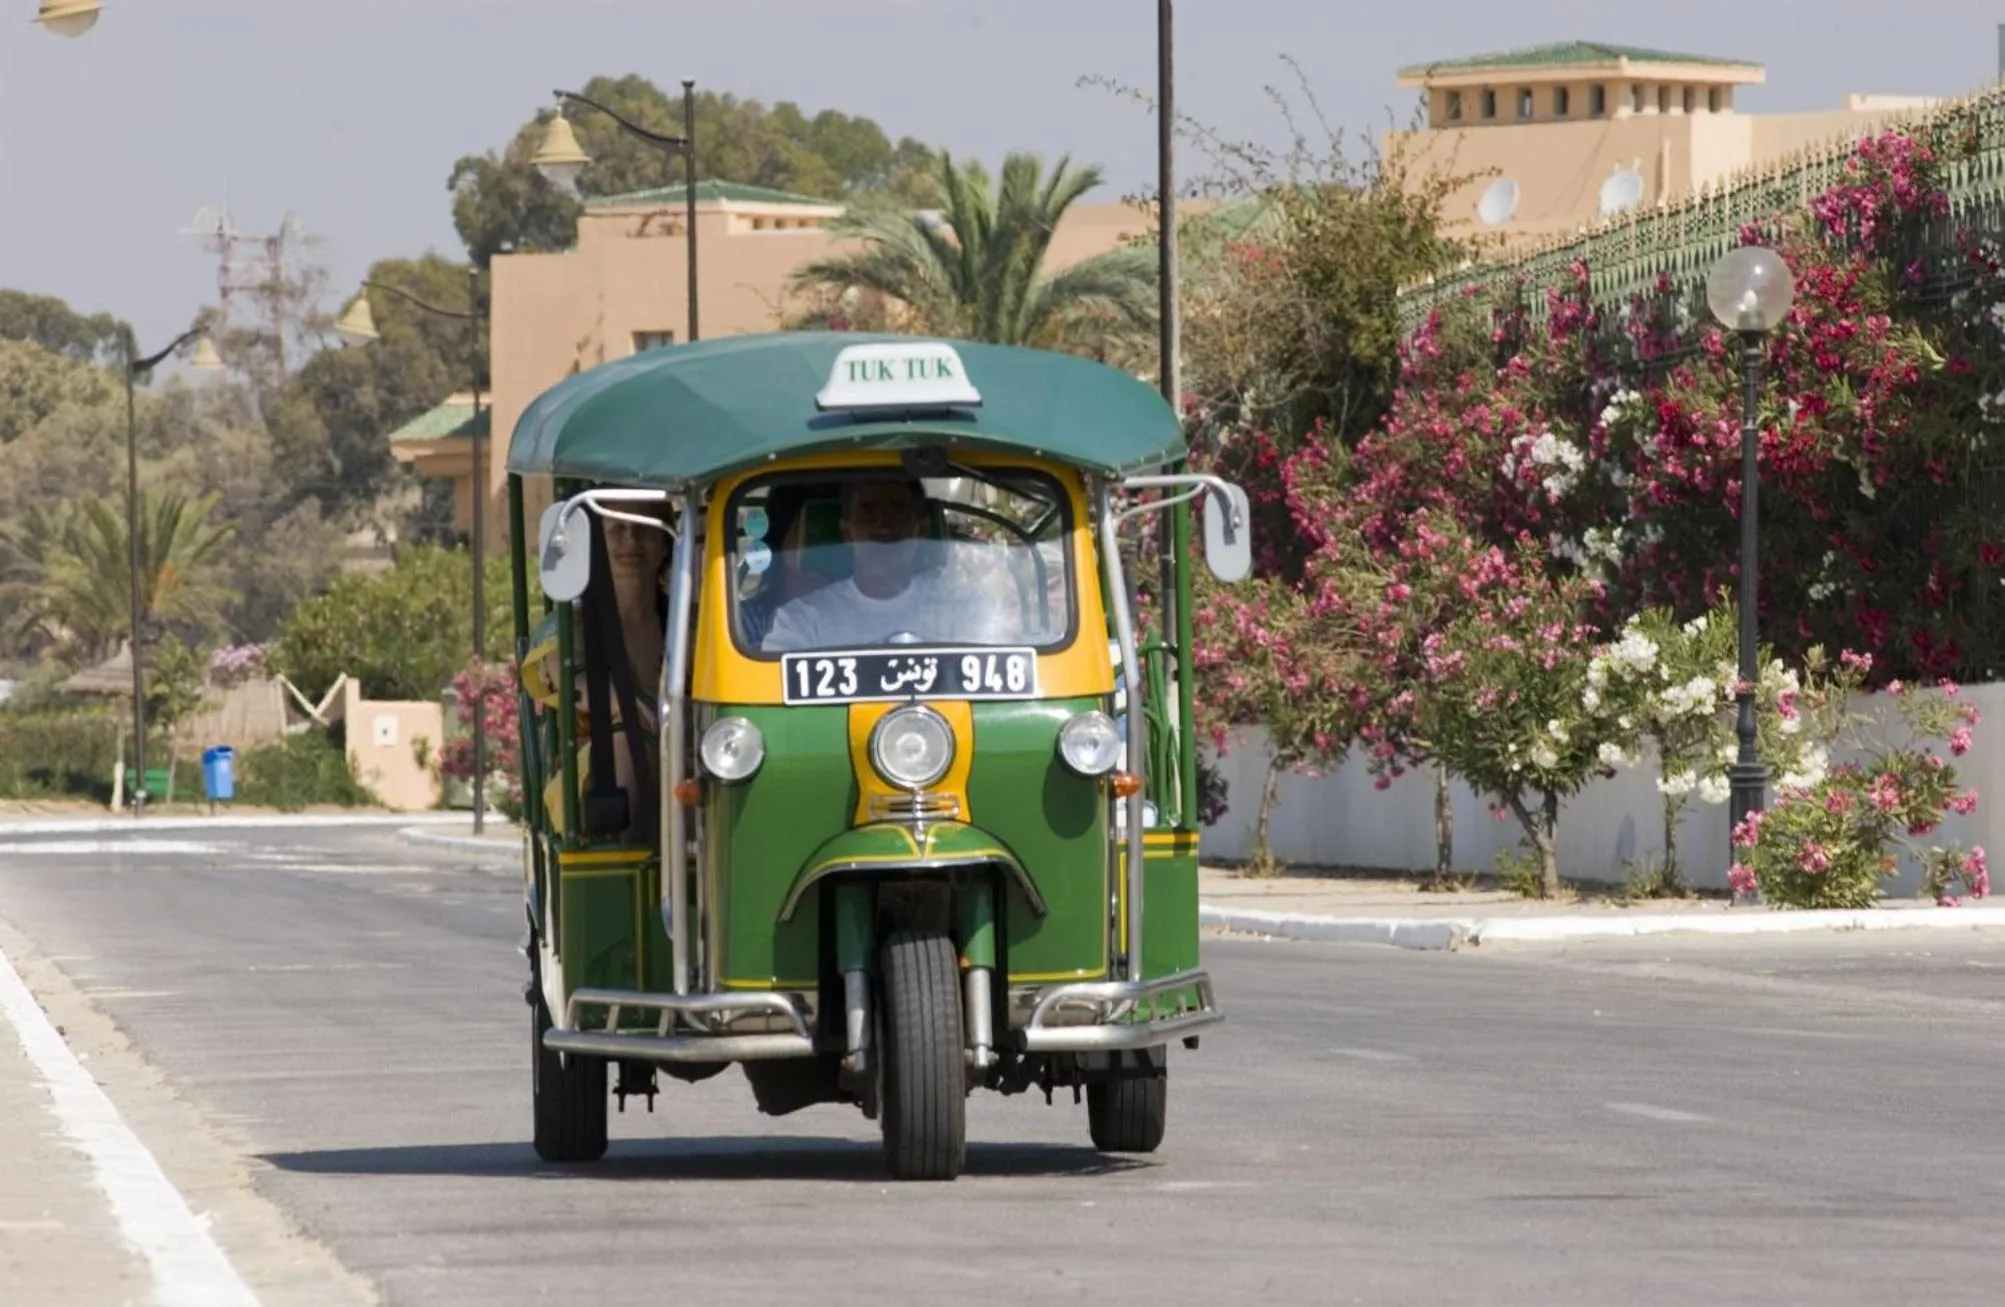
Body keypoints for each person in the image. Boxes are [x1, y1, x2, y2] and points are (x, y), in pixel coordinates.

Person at [762, 477, 1013, 652]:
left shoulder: (964, 608)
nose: (883, 525)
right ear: (847, 533)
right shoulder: (801, 621)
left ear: (922, 530)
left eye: (898, 509)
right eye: (867, 510)